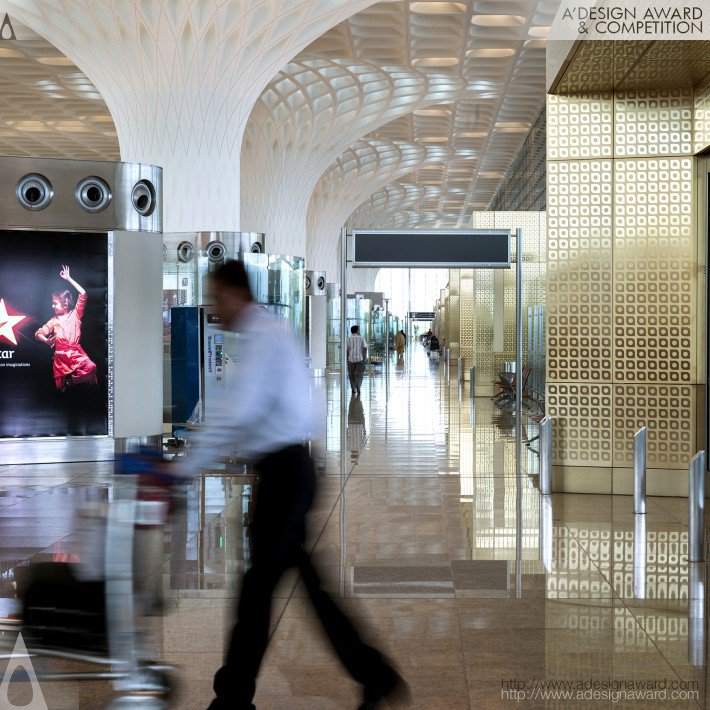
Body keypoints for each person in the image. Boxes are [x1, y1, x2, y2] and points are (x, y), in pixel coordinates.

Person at [178, 261, 406, 710]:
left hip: (284, 475)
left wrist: (186, 466)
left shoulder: (263, 336)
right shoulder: (269, 334)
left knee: (259, 588)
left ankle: (233, 697)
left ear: (233, 294)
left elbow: (239, 412)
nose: (212, 308)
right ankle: (373, 673)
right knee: (295, 586)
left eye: (215, 297)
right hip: (288, 471)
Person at [35, 265, 98, 392]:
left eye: (55, 303)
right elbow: (38, 333)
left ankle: (71, 381)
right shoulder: (54, 320)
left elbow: (83, 294)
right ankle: (65, 386)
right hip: (61, 359)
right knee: (60, 390)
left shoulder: (75, 314)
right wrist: (47, 341)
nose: (52, 306)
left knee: (91, 368)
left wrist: (69, 279)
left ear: (65, 303)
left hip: (76, 354)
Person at [347, 324, 367, 396]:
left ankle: (353, 389)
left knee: (351, 374)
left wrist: (348, 359)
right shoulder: (361, 338)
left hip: (351, 359)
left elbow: (347, 349)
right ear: (357, 330)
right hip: (360, 358)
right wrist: (364, 358)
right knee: (359, 374)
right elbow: (364, 347)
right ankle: (358, 385)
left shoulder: (348, 338)